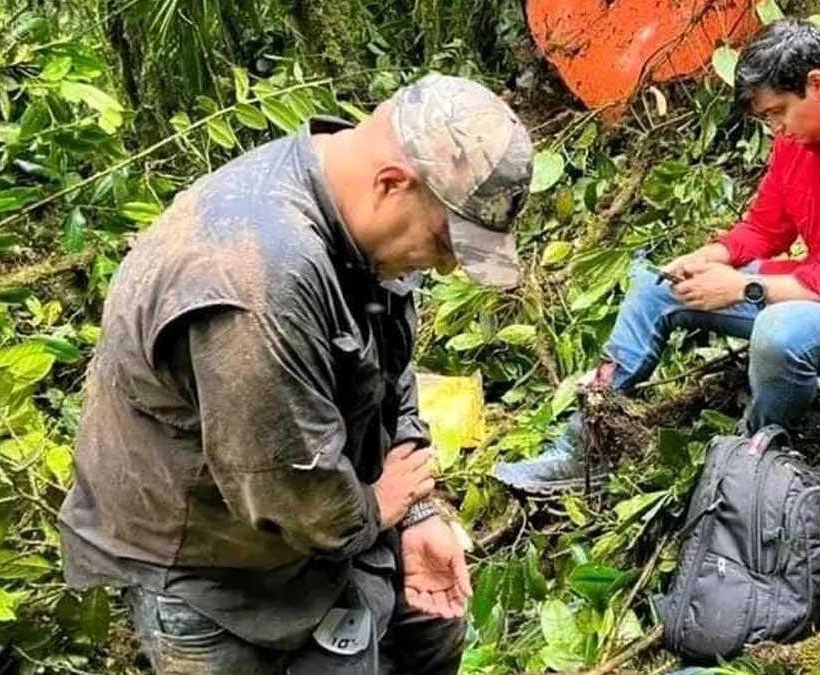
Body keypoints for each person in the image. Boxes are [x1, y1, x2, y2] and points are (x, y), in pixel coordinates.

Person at [58, 74, 533, 674]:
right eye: (445, 242)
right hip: (212, 565)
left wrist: (414, 509)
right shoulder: (260, 282)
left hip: (331, 518)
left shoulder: (351, 203)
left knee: (430, 632)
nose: (446, 265)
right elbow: (287, 485)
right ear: (392, 183)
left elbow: (392, 361)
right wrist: (380, 507)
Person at [493, 19, 820, 494]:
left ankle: (749, 464)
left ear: (817, 84)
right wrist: (711, 256)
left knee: (780, 332)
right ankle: (578, 449)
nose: (777, 129)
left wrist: (744, 287)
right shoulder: (799, 137)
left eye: (779, 112)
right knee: (654, 287)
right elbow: (766, 225)